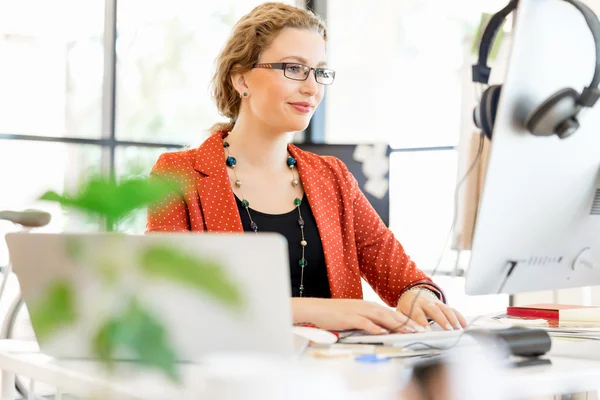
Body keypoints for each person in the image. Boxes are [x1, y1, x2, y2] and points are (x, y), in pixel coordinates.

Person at [146, 2, 466, 335]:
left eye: (319, 72)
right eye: (294, 68)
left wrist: (418, 295)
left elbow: (403, 276)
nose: (312, 88)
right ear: (241, 78)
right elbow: (171, 302)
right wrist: (317, 311)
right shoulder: (178, 175)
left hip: (337, 375)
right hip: (232, 377)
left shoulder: (333, 177)